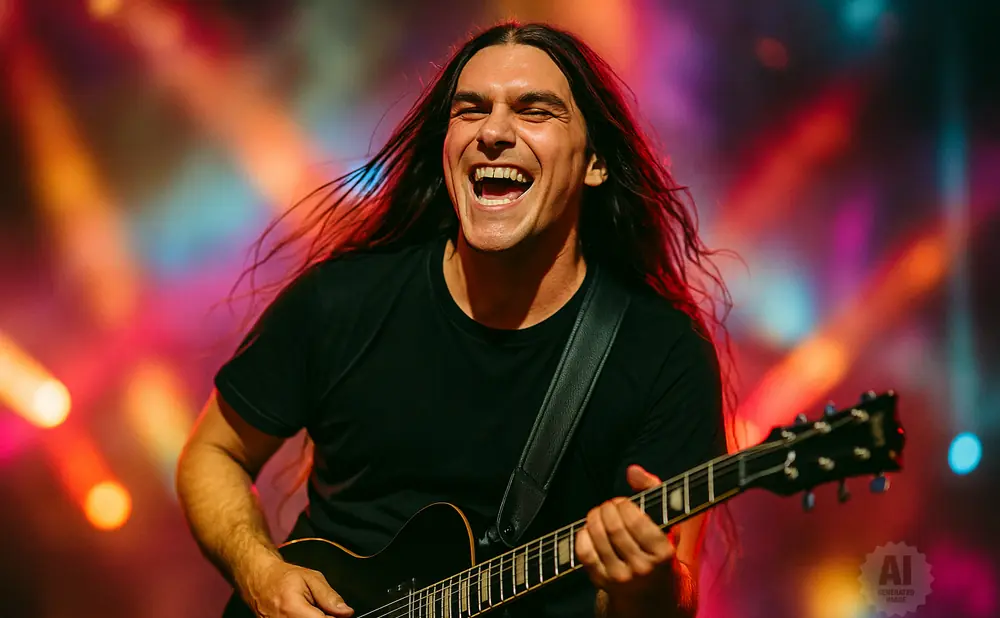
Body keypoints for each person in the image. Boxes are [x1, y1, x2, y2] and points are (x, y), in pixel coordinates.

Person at [177, 20, 734, 618]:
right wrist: (260, 572)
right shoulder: (344, 301)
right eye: (470, 110)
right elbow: (212, 453)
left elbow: (673, 594)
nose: (493, 132)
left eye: (534, 111)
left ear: (595, 162)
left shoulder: (661, 352)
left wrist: (643, 588)